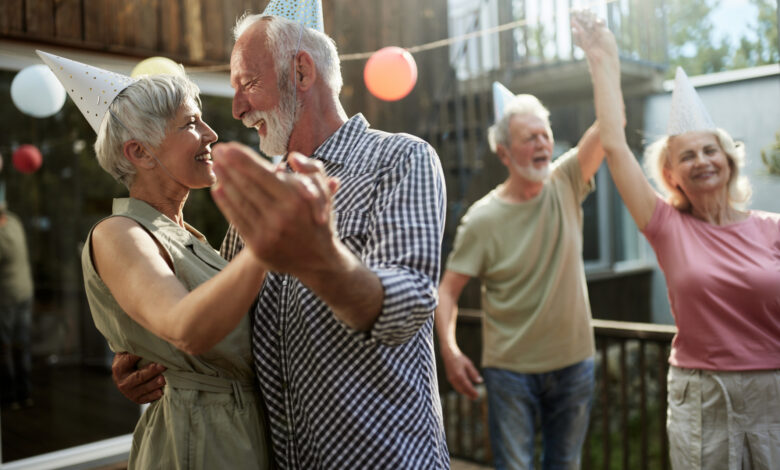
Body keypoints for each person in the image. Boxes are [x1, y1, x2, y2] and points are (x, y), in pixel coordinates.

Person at [117, 12, 449, 469]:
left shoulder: (399, 158)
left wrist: (322, 259)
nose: (236, 109)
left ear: (302, 72)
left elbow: (407, 307)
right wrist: (157, 363)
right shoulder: (263, 195)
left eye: (247, 83)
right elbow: (226, 320)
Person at [39, 51, 274, 469]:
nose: (211, 133)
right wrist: (269, 246)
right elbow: (184, 327)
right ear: (140, 153)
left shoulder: (188, 236)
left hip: (235, 432)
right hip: (200, 444)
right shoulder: (119, 233)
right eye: (190, 123)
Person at [572, 10, 780, 469]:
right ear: (671, 174)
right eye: (688, 156)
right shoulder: (666, 226)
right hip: (702, 394)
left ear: (729, 160)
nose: (702, 160)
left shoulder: (773, 227)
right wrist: (602, 59)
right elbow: (614, 144)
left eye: (711, 150)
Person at [435, 80, 604, 467]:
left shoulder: (566, 180)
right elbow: (447, 292)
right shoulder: (482, 219)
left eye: (545, 135)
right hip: (510, 374)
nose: (543, 144)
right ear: (504, 152)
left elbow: (609, 128)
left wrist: (601, 59)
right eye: (529, 138)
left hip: (575, 363)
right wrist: (450, 350)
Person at [0, 191, 35, 410]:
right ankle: (25, 393)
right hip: (25, 293)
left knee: (5, 349)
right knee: (21, 346)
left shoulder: (3, 236)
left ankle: (10, 396)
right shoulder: (15, 222)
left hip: (6, 299)